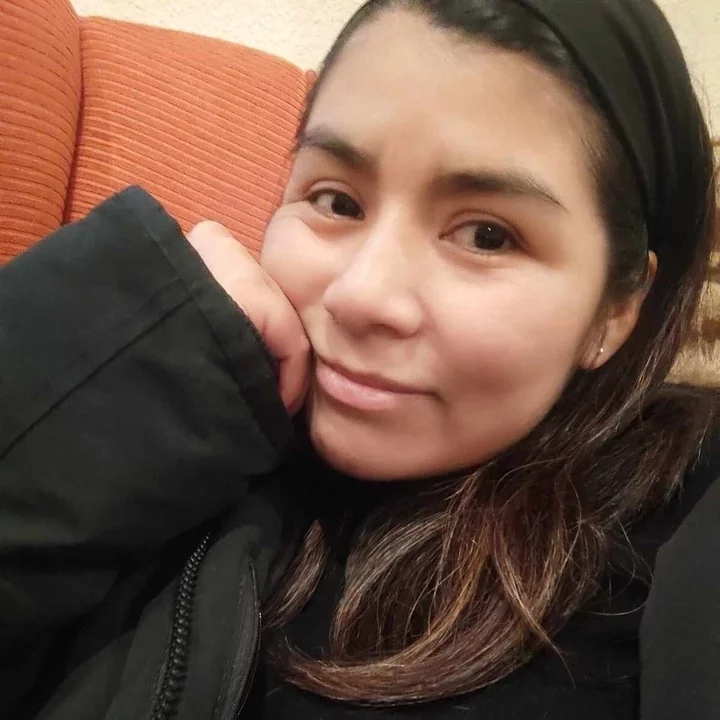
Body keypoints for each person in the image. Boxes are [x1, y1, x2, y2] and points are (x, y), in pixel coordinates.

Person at [0, 0, 718, 718]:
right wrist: (133, 343)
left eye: (487, 236)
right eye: (337, 201)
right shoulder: (179, 415)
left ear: (617, 307)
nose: (359, 295)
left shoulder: (686, 517)